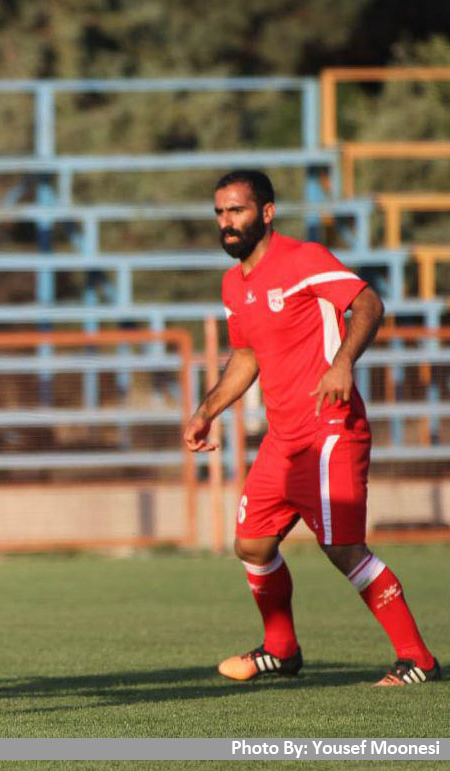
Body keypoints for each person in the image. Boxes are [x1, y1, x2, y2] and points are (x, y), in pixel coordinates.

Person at [184, 170, 439, 686]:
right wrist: (207, 409)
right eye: (220, 213)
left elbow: (368, 303)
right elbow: (246, 357)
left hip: (330, 430)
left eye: (237, 211)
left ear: (267, 212)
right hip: (283, 438)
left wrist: (343, 362)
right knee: (252, 544)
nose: (227, 222)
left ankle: (418, 660)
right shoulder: (234, 283)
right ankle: (281, 649)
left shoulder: (304, 259)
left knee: (343, 549)